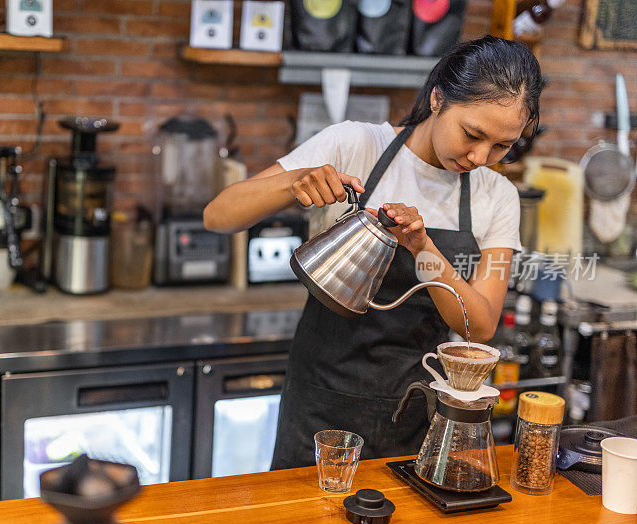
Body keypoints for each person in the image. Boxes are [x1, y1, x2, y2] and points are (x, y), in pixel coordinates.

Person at [203, 35, 544, 468]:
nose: (480, 157)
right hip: (320, 402)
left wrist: (422, 247)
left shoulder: (497, 195)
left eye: (502, 146)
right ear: (438, 99)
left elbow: (479, 326)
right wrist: (295, 182)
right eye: (472, 134)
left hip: (418, 406)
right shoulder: (356, 145)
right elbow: (218, 216)